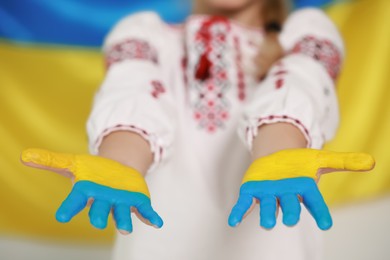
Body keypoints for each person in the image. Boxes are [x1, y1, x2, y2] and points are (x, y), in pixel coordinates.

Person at [21, 0, 375, 259]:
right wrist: (119, 163)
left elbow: (300, 82)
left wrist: (279, 155)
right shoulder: (144, 34)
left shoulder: (305, 33)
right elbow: (133, 88)